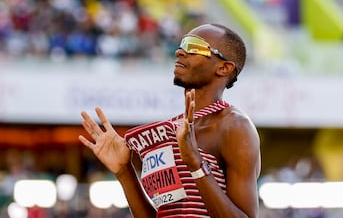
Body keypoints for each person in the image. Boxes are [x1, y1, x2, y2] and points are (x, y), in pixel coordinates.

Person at [78, 23, 261, 218]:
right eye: (182, 45)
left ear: (224, 67)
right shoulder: (172, 129)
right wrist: (124, 171)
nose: (180, 52)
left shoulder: (234, 126)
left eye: (194, 46)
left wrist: (196, 164)